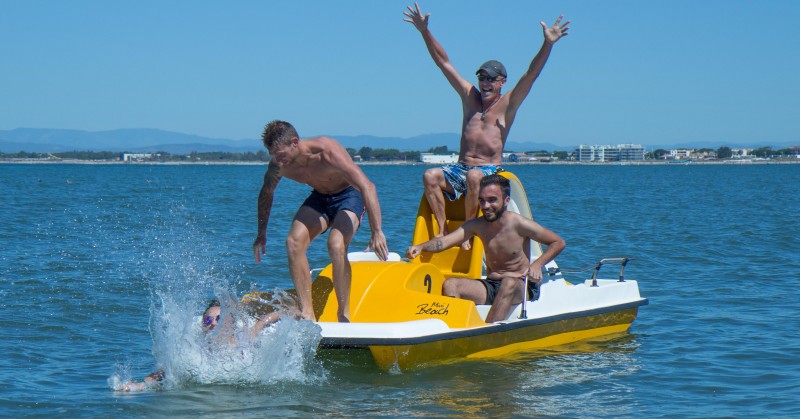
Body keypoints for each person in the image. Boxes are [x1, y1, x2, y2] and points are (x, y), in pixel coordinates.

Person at [403, 3, 570, 249]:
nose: (485, 82)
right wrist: (424, 32)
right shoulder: (469, 97)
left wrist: (548, 44)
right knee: (430, 175)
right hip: (460, 168)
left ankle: (467, 231)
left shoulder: (508, 104)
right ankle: (441, 229)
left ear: (502, 82)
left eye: (491, 78)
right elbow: (444, 63)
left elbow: (531, 73)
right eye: (482, 77)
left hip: (489, 170)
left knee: (474, 176)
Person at [253, 120, 389, 322]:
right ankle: (308, 313)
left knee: (335, 244)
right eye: (273, 156)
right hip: (320, 197)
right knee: (293, 242)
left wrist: (376, 231)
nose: (278, 161)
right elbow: (266, 193)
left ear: (295, 142)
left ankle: (344, 314)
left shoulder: (328, 152)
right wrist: (261, 233)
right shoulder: (278, 166)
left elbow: (367, 186)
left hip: (350, 195)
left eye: (281, 155)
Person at [406, 174, 566, 323]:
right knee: (451, 284)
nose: (485, 206)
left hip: (520, 286)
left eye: (492, 200)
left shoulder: (520, 224)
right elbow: (444, 242)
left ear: (506, 200)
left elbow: (558, 242)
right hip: (491, 285)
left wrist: (537, 264)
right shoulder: (477, 225)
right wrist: (421, 247)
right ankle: (454, 329)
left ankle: (486, 331)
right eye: (482, 200)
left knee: (508, 283)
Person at [114, 299, 283, 392]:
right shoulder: (194, 348)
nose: (213, 324)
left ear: (228, 324)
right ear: (202, 323)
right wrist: (141, 385)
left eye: (219, 319)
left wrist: (292, 313)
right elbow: (167, 372)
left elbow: (265, 321)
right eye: (208, 320)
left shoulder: (242, 340)